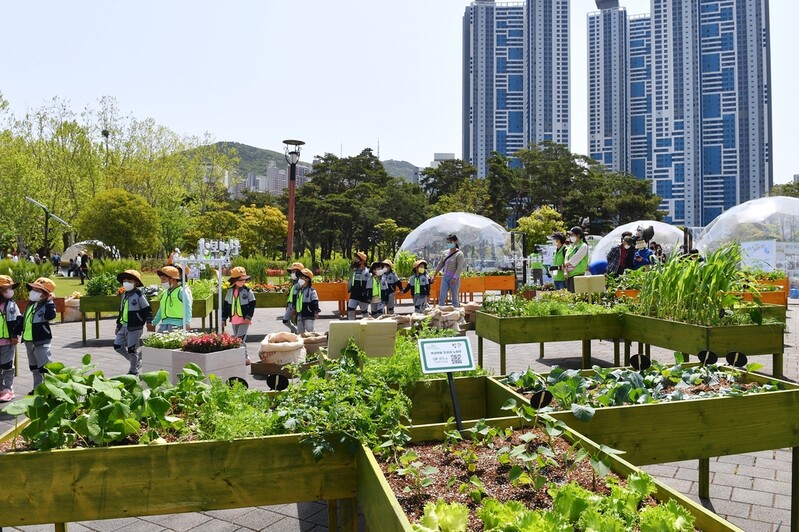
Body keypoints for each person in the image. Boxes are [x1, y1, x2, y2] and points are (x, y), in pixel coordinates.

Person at [21, 277, 58, 392]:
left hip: (41, 341)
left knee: (45, 368)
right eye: (33, 289)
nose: (33, 292)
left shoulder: (47, 305)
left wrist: (50, 301)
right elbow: (23, 319)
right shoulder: (31, 305)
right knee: (34, 368)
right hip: (28, 340)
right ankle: (37, 388)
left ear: (46, 294)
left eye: (37, 290)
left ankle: (50, 390)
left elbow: (50, 316)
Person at [114, 270, 152, 376]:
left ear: (136, 283)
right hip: (123, 326)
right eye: (124, 281)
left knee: (132, 349)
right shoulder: (124, 295)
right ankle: (135, 361)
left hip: (135, 326)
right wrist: (118, 325)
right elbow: (121, 311)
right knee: (117, 346)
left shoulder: (139, 295)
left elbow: (147, 309)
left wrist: (149, 321)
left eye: (130, 281)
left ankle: (133, 371)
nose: (126, 283)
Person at [221, 267, 256, 364]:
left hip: (244, 320)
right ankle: (241, 356)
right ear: (234, 280)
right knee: (237, 339)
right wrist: (223, 318)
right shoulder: (230, 291)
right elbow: (226, 305)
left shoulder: (248, 291)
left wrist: (249, 317)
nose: (242, 282)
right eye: (240, 280)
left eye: (244, 279)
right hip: (234, 319)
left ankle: (245, 357)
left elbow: (252, 304)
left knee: (239, 339)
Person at [148, 266, 192, 333]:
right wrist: (154, 323)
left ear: (173, 280)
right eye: (161, 279)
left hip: (177, 325)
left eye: (164, 279)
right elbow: (161, 309)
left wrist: (187, 323)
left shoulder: (181, 292)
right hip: (164, 324)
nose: (161, 282)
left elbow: (188, 308)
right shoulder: (165, 292)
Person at [0, 275, 23, 402]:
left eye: (10, 288)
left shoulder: (11, 305)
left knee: (7, 365)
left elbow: (18, 321)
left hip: (7, 342)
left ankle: (8, 389)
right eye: (5, 289)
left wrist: (15, 335)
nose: (9, 291)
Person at [433, 234, 465, 307]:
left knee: (454, 296)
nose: (449, 244)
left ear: (455, 242)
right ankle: (441, 309)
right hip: (445, 277)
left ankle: (456, 310)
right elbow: (440, 264)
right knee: (442, 295)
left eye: (451, 242)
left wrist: (455, 278)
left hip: (454, 278)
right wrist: (434, 275)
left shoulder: (459, 254)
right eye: (448, 242)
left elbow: (459, 267)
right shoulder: (445, 253)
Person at [293, 268, 320, 333]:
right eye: (299, 277)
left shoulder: (312, 290)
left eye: (301, 277)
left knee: (309, 328)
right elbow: (296, 300)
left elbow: (315, 301)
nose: (299, 279)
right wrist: (294, 308)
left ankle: (314, 338)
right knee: (300, 331)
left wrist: (316, 311)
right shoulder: (299, 290)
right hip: (300, 314)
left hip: (309, 314)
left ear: (307, 279)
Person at [563, 226, 589, 293]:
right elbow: (566, 257)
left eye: (572, 235)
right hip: (569, 274)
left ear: (578, 235)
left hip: (578, 274)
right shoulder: (571, 246)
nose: (570, 236)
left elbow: (575, 258)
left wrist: (566, 264)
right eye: (570, 235)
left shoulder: (583, 246)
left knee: (576, 294)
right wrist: (565, 269)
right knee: (569, 294)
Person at [282, 262, 305, 333]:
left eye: (294, 271)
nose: (292, 273)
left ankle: (300, 334)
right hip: (290, 304)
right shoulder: (294, 282)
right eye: (292, 271)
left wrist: (294, 307)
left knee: (299, 322)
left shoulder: (301, 282)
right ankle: (296, 331)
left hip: (297, 305)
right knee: (285, 320)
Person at [346, 252, 370, 320]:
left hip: (363, 296)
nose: (355, 261)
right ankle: (352, 324)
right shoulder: (354, 271)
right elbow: (350, 281)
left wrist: (368, 294)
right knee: (350, 309)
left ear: (362, 261)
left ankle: (366, 325)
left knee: (364, 312)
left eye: (356, 259)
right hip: (354, 295)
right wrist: (349, 289)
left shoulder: (368, 272)